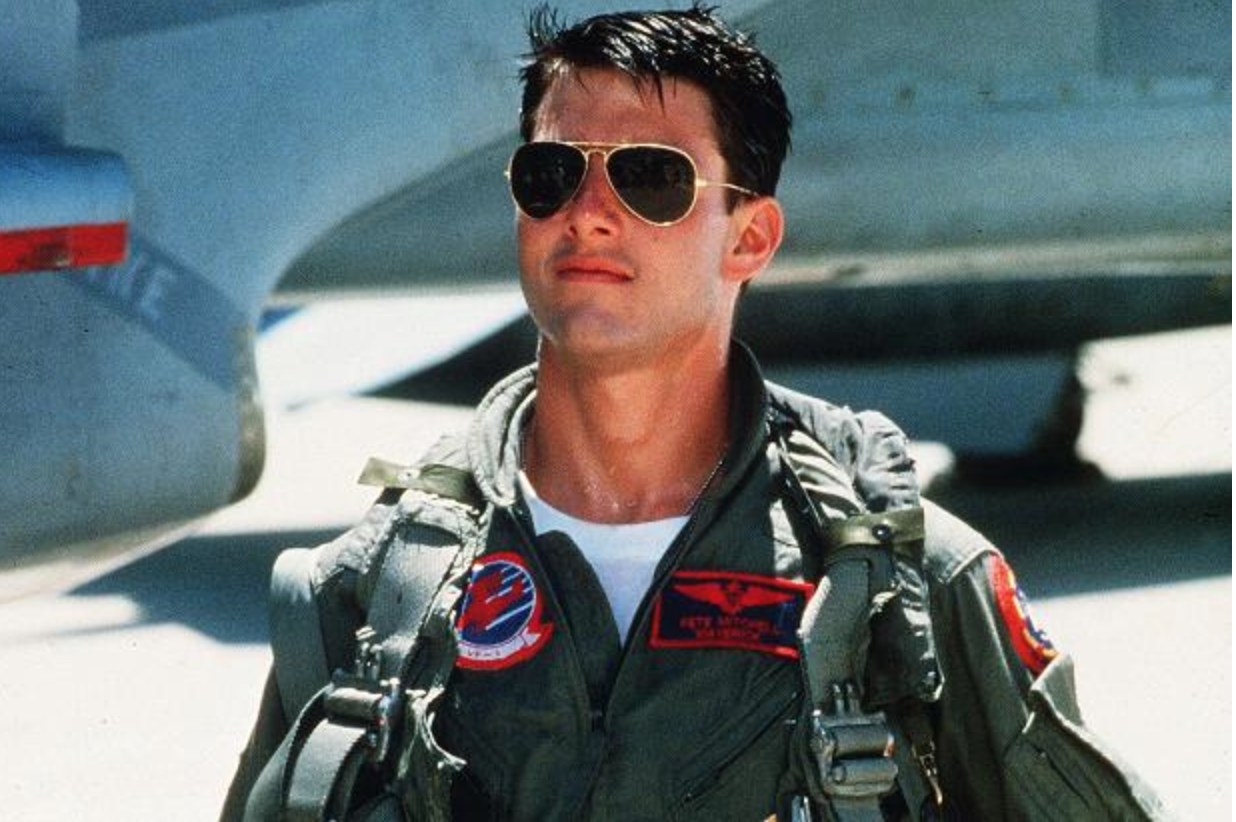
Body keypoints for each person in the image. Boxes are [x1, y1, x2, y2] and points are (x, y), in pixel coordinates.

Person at [222, 5, 1169, 820]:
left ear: (749, 238)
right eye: (552, 173)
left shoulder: (903, 589)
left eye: (651, 178)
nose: (588, 212)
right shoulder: (376, 596)